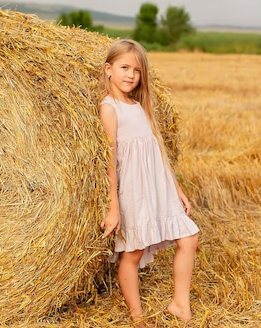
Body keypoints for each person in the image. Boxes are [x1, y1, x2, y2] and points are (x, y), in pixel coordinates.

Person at [98, 38, 199, 324]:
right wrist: (113, 206)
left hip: (158, 186)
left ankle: (180, 303)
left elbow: (157, 153)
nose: (131, 75)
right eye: (124, 67)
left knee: (189, 237)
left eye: (137, 70)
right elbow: (110, 160)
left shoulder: (140, 105)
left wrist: (176, 188)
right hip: (134, 189)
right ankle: (136, 314)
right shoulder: (110, 108)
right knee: (133, 251)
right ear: (109, 69)